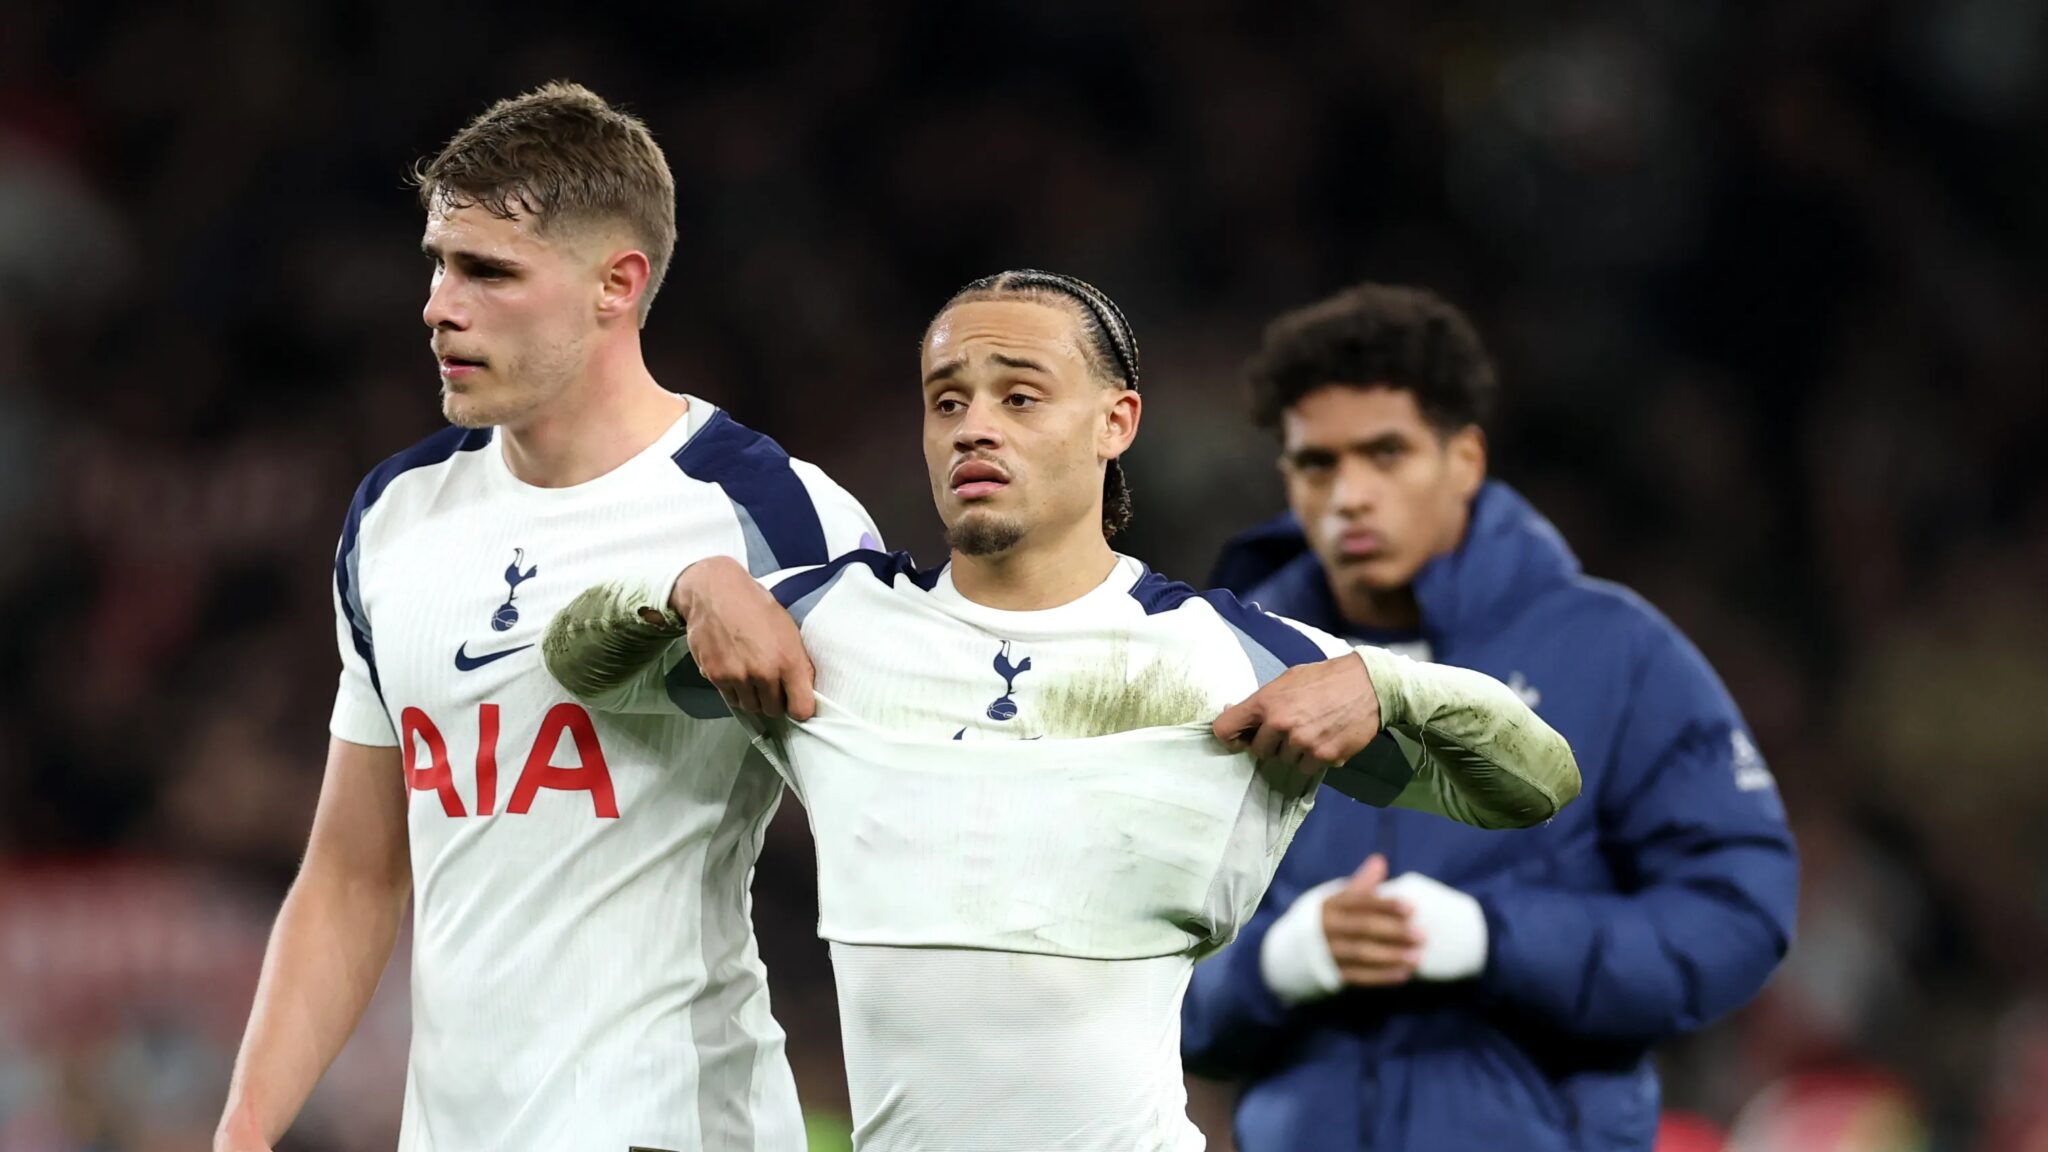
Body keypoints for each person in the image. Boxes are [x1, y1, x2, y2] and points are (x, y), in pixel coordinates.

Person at [540, 270, 1582, 1151]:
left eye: (1020, 396)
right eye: (947, 401)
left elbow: (1535, 784)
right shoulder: (830, 623)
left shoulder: (1229, 658)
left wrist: (1386, 684)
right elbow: (580, 661)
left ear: (1115, 422)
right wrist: (689, 585)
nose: (974, 426)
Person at [213, 83, 879, 1152]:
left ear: (618, 284)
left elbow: (902, 829)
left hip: (672, 1127)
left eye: (488, 272)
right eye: (438, 263)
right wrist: (244, 1132)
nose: (439, 305)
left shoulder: (776, 516)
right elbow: (353, 874)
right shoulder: (395, 516)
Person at [1180, 282, 1800, 1152]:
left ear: (1465, 460)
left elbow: (1737, 913)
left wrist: (1492, 939)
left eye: (1386, 454)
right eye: (1318, 464)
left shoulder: (1614, 654)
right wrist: (1277, 962)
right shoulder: (1226, 665)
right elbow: (1128, 967)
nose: (1350, 494)